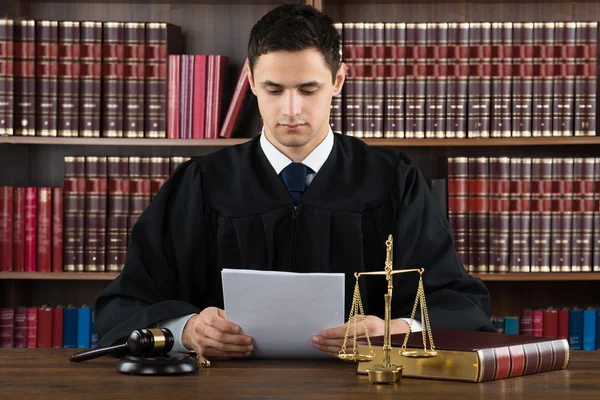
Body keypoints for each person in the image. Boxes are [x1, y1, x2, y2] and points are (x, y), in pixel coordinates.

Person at [95, 4, 494, 359]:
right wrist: (186, 329)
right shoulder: (202, 182)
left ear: (338, 80)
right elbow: (124, 303)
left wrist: (399, 330)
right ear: (250, 80)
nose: (291, 109)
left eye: (308, 89)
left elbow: (458, 301)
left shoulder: (392, 179)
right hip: (220, 387)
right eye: (273, 89)